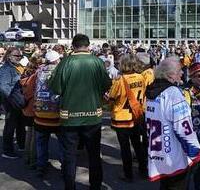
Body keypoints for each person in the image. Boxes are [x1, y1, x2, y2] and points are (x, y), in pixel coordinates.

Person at [49, 34, 111, 190]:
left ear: (73, 46)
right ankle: (95, 186)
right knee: (93, 155)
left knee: (70, 157)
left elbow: (55, 87)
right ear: (88, 45)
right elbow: (106, 84)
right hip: (93, 116)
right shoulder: (97, 62)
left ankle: (70, 187)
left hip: (69, 117)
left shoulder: (65, 62)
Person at [145, 57, 200, 190]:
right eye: (179, 71)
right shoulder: (173, 93)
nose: (181, 74)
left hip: (158, 153)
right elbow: (184, 128)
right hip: (174, 156)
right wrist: (198, 154)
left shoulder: (152, 92)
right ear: (169, 74)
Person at [108, 54, 147, 182]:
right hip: (136, 116)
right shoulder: (141, 77)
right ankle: (143, 169)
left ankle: (128, 174)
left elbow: (112, 98)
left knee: (125, 148)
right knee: (137, 144)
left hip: (122, 118)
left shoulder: (120, 80)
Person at [32, 50, 64, 177]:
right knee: (62, 142)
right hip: (57, 114)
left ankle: (41, 166)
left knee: (41, 142)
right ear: (57, 60)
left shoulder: (39, 71)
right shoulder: (60, 71)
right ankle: (65, 167)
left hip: (40, 113)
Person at [0, 47, 26, 159]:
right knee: (10, 126)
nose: (19, 58)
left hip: (17, 100)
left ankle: (22, 145)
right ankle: (7, 150)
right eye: (16, 56)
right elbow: (3, 86)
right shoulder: (6, 69)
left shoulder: (16, 67)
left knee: (20, 124)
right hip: (11, 101)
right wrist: (13, 97)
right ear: (9, 56)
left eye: (20, 56)